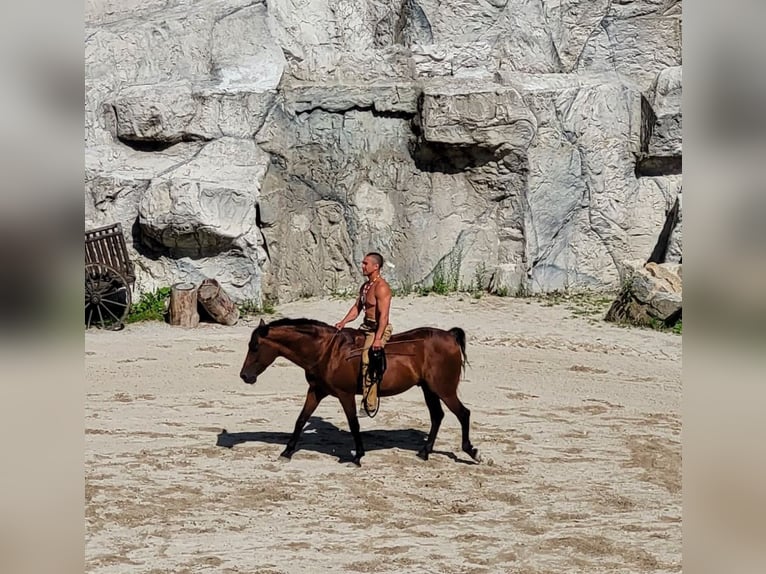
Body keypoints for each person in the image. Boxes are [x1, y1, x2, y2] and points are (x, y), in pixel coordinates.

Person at [334, 252, 393, 416]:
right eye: (362, 263)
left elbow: (384, 316)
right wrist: (343, 322)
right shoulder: (366, 286)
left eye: (365, 263)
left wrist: (378, 338)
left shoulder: (381, 287)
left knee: (368, 359)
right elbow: (357, 309)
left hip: (377, 329)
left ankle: (370, 403)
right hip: (365, 327)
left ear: (376, 267)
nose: (362, 266)